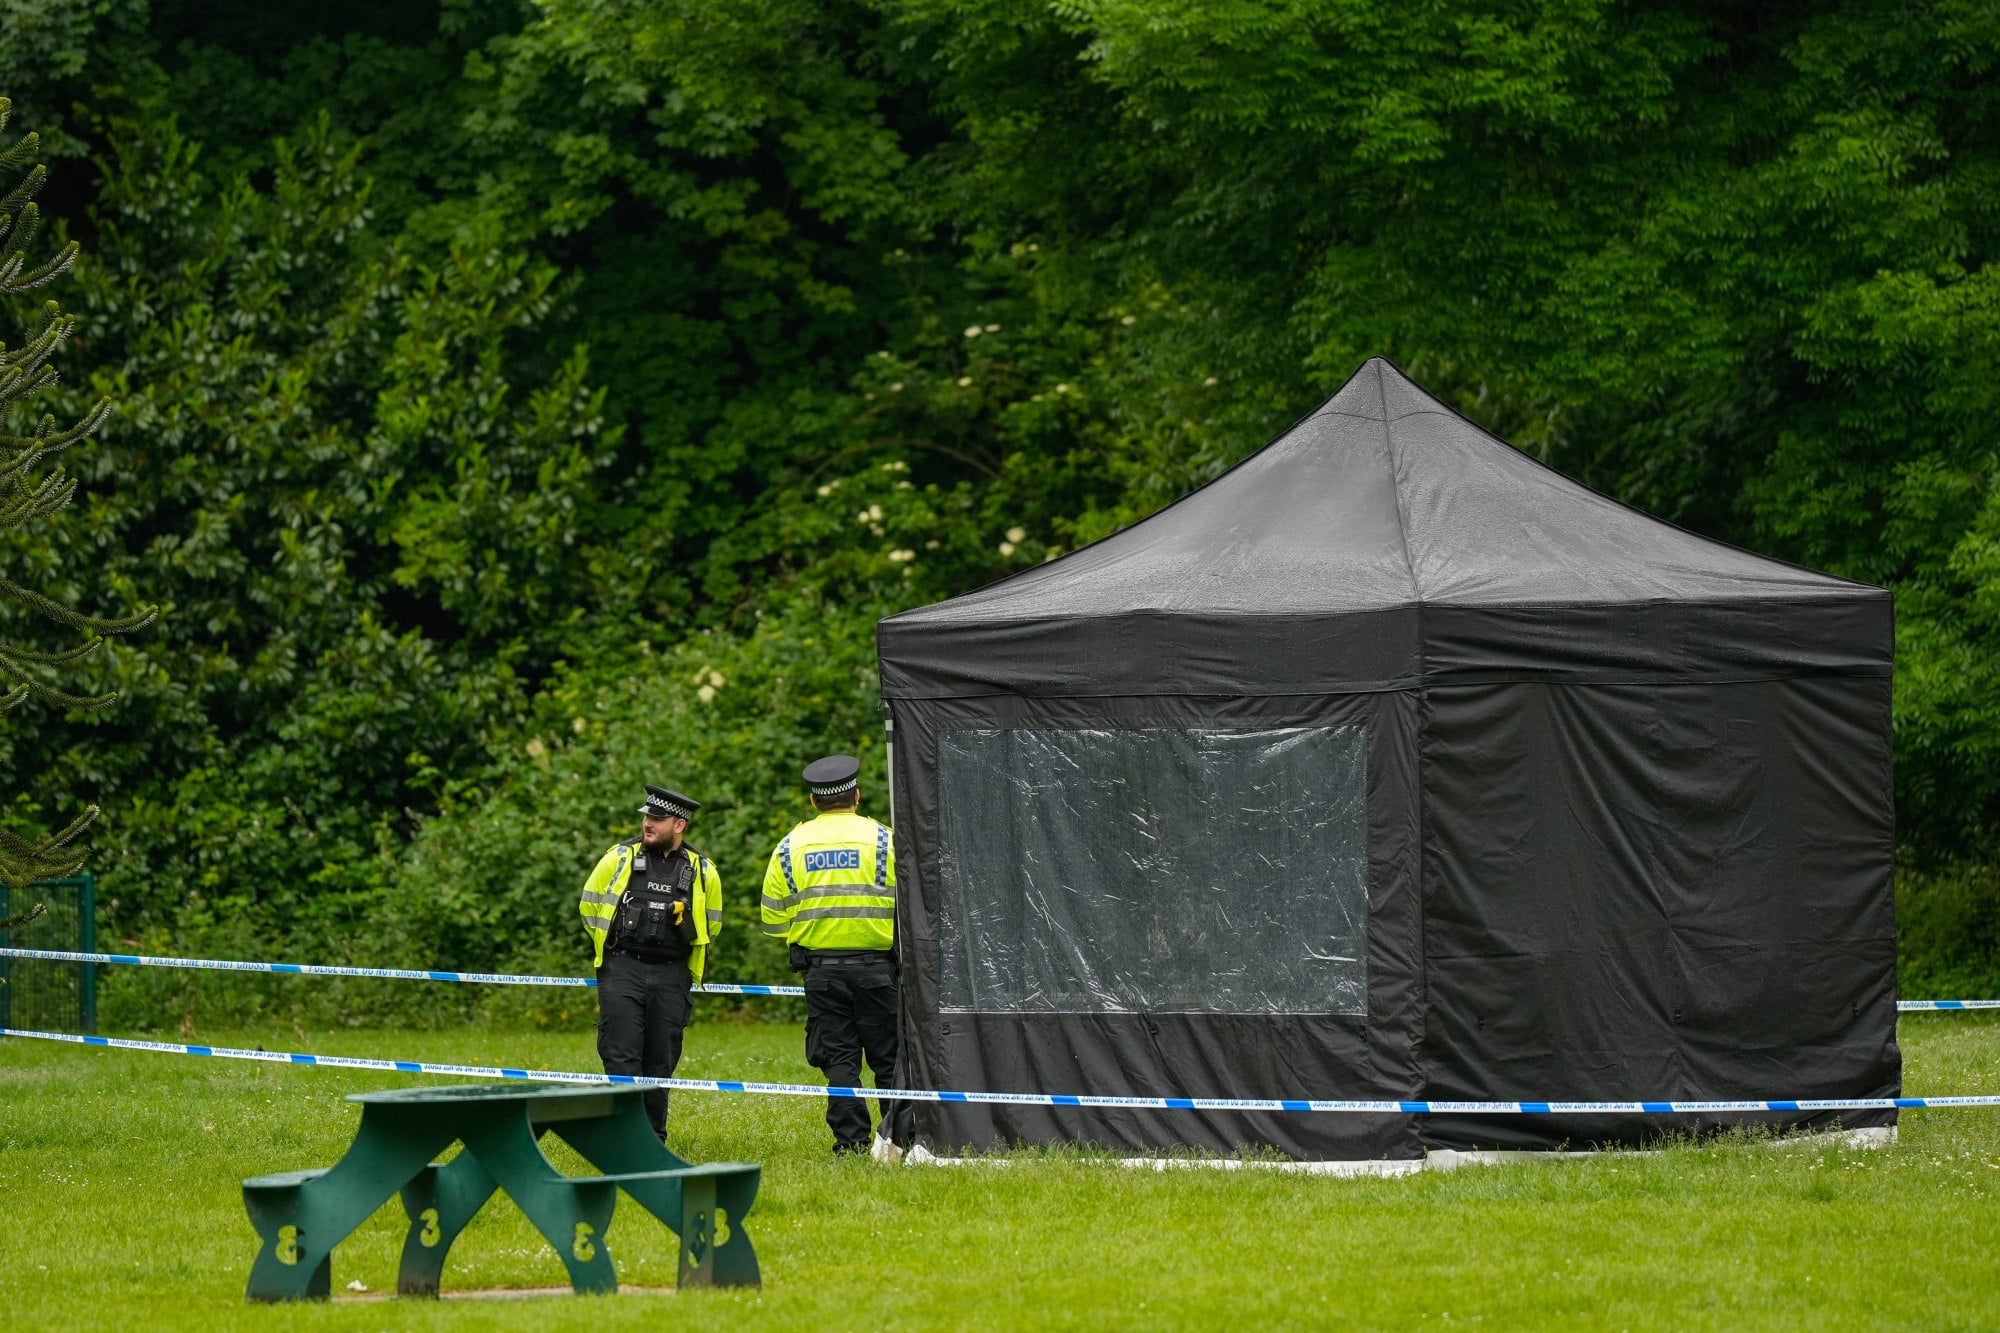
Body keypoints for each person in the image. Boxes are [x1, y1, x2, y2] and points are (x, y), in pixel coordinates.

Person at [761, 754, 902, 1158]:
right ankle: (895, 1139)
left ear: (813, 800)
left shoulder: (790, 847)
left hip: (820, 971)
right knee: (889, 1059)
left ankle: (851, 1143)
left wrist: (809, 933)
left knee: (839, 1060)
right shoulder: (884, 839)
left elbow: (773, 919)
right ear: (856, 795)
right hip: (878, 969)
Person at [578, 784, 722, 1141]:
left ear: (679, 825)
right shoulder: (619, 858)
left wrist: (684, 922)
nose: (648, 824)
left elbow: (712, 925)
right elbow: (588, 906)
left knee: (660, 1063)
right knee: (621, 1057)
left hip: (672, 975)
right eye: (647, 817)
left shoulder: (703, 871)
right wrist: (612, 948)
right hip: (622, 968)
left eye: (658, 819)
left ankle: (652, 1140)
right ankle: (620, 1138)